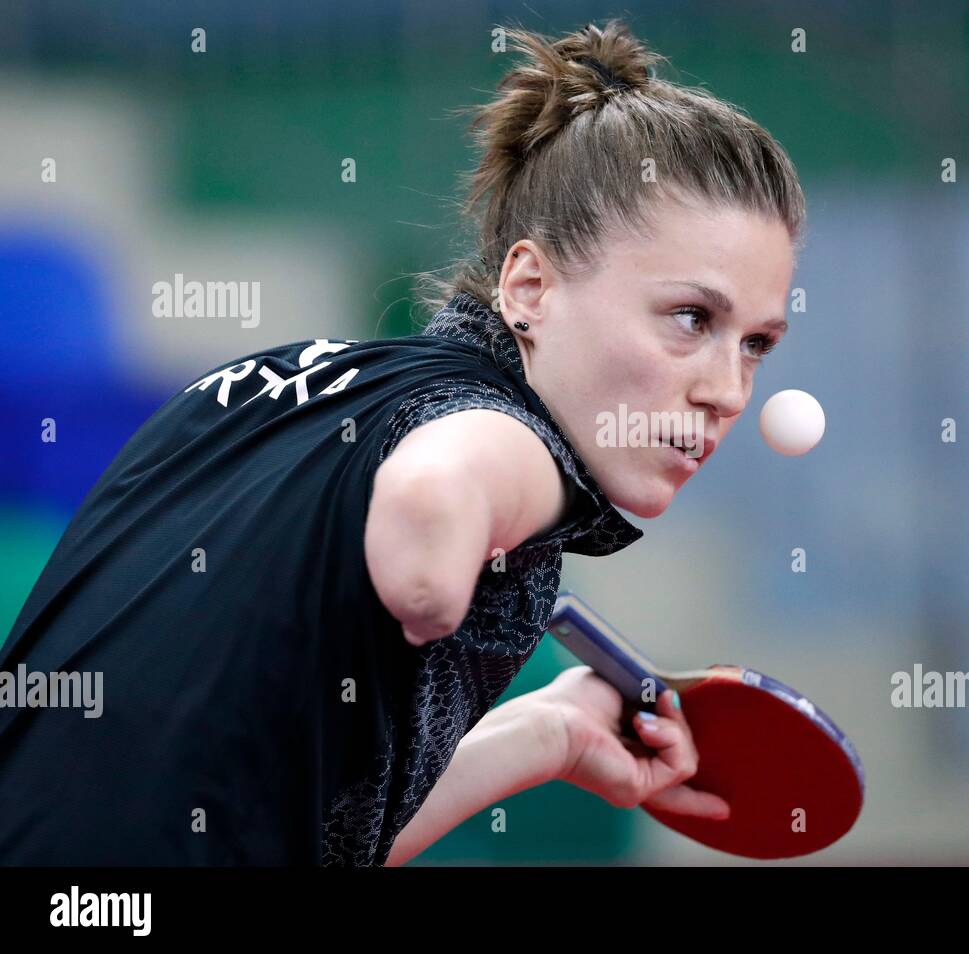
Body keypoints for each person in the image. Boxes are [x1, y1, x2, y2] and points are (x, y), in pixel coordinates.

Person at [0, 18, 805, 866]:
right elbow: (439, 488)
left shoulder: (258, 390)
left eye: (755, 344)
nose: (727, 391)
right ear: (529, 287)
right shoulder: (510, 439)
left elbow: (307, 834)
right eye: (691, 318)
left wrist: (548, 734)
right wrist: (431, 568)